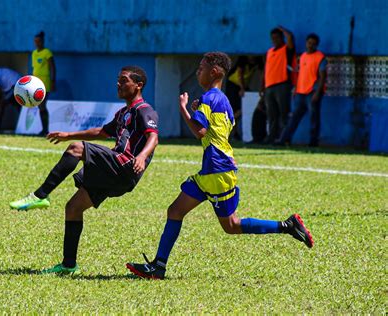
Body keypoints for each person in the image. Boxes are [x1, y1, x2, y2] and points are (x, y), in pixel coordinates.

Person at [126, 52, 313, 280]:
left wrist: (184, 108)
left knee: (231, 225)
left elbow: (200, 131)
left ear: (215, 71)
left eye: (202, 68)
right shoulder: (221, 99)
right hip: (214, 170)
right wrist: (198, 111)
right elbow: (219, 130)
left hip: (217, 170)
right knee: (177, 211)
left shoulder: (209, 98)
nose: (198, 71)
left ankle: (287, 225)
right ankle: (159, 266)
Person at [9, 66, 159, 274]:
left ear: (138, 85)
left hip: (126, 165)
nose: (119, 84)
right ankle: (69, 265)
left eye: (124, 80)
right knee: (73, 208)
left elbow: (153, 137)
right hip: (115, 174)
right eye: (118, 80)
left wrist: (142, 156)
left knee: (77, 149)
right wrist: (67, 134)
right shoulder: (123, 113)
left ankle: (39, 195)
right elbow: (100, 131)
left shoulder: (144, 110)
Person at [277, 33, 327, 147]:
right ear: (306, 43)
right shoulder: (303, 56)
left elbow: (323, 77)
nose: (311, 45)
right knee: (294, 118)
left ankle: (313, 142)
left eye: (313, 44)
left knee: (314, 118)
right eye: (309, 43)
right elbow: (300, 75)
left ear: (317, 45)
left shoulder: (320, 57)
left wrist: (318, 92)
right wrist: (296, 89)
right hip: (300, 93)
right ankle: (284, 139)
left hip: (312, 93)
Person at [261, 26, 297, 144]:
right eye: (273, 38)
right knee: (271, 115)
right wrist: (263, 87)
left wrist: (282, 29)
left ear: (282, 38)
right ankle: (271, 137)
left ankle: (284, 138)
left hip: (282, 85)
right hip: (269, 86)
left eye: (277, 37)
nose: (274, 40)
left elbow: (290, 37)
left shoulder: (286, 49)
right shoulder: (269, 52)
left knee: (283, 113)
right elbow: (266, 70)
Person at [225, 56, 260, 140]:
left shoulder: (256, 64)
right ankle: (230, 131)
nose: (251, 58)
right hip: (233, 86)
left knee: (242, 109)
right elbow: (240, 75)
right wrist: (242, 88)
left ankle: (232, 130)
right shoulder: (242, 63)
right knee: (234, 109)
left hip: (242, 86)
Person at [32, 31, 56, 135]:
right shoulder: (34, 53)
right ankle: (44, 129)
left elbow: (53, 67)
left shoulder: (47, 52)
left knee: (42, 105)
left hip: (45, 83)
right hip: (36, 83)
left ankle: (45, 129)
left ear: (43, 41)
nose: (37, 43)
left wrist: (53, 81)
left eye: (39, 41)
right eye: (35, 41)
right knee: (40, 106)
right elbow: (35, 68)